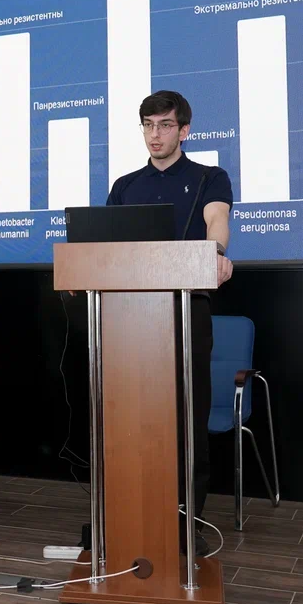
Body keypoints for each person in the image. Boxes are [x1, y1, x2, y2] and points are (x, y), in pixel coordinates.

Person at [106, 90, 234, 557]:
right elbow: (106, 246)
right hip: (129, 318)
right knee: (130, 419)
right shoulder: (124, 186)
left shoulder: (208, 178)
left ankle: (187, 522)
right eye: (148, 125)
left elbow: (217, 223)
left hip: (186, 310)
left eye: (164, 125)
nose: (154, 134)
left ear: (184, 131)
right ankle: (128, 516)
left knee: (187, 419)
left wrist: (215, 254)